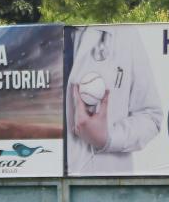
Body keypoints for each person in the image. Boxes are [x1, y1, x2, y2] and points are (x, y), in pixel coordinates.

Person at [65, 26, 163, 176]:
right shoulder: (38, 37)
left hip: (105, 181)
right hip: (44, 181)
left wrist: (108, 138)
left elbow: (151, 117)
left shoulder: (126, 35)